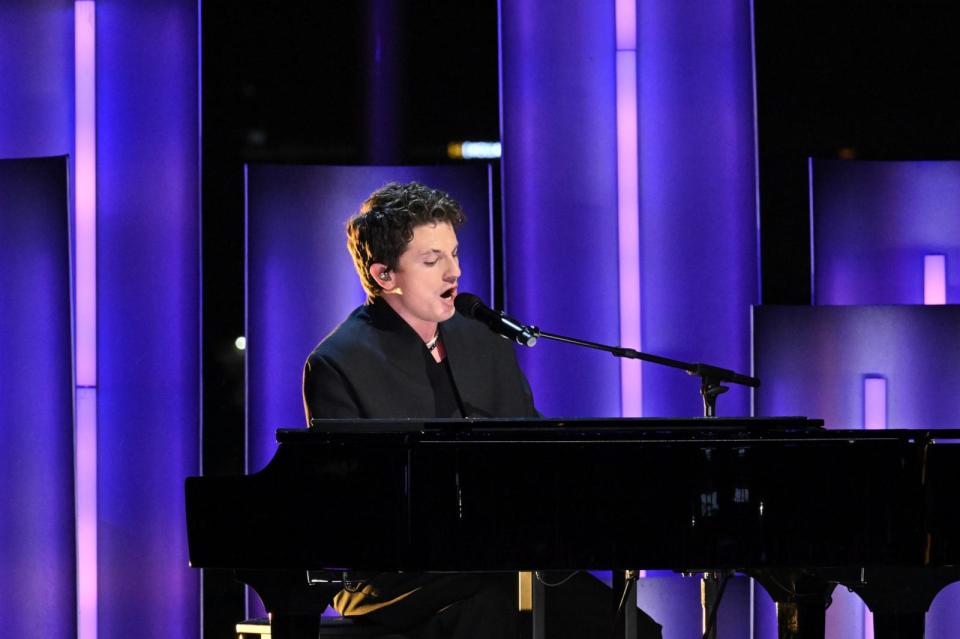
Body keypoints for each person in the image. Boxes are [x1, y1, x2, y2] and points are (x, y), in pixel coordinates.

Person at [302, 182, 661, 639]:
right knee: (495, 614)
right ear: (384, 275)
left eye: (454, 254)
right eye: (432, 261)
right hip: (393, 574)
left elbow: (534, 445)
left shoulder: (481, 338)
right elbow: (355, 504)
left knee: (630, 629)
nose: (454, 272)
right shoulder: (338, 362)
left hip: (497, 557)